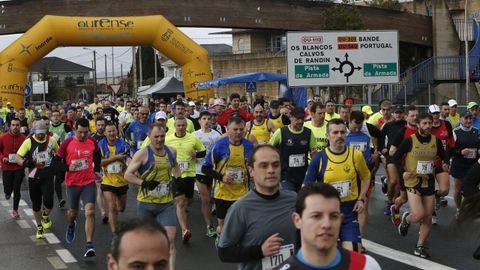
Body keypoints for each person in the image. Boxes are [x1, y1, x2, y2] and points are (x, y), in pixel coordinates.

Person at [218, 145, 297, 270]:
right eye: (264, 166)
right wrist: (259, 251)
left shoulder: (294, 199)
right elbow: (224, 253)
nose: (271, 170)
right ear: (251, 171)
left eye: (275, 165)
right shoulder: (240, 208)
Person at [273, 183, 381, 270]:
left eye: (333, 216)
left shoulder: (366, 266)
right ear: (297, 220)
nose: (326, 224)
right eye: (316, 216)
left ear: (341, 220)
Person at [304, 118, 371, 252]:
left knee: (353, 253)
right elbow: (306, 189)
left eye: (342, 132)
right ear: (327, 136)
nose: (339, 136)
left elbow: (366, 176)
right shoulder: (319, 159)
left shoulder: (355, 155)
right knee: (327, 256)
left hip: (349, 212)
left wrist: (361, 198)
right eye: (335, 133)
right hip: (326, 214)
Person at [124, 123, 180, 270]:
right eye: (156, 137)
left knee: (170, 242)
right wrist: (144, 183)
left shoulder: (171, 151)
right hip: (146, 204)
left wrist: (177, 181)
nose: (159, 140)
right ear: (149, 137)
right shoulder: (142, 153)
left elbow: (175, 166)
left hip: (166, 204)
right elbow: (127, 175)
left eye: (162, 136)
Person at [394, 112, 449, 258]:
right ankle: (406, 218)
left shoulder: (435, 140)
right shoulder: (409, 140)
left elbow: (444, 156)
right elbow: (396, 157)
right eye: (424, 123)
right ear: (418, 125)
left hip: (428, 181)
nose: (428, 126)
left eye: (430, 123)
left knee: (428, 217)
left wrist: (445, 164)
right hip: (412, 181)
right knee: (418, 214)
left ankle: (419, 246)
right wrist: (403, 172)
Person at [55, 118, 101, 258]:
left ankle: (89, 245)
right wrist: (67, 167)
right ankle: (71, 225)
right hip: (73, 183)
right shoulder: (67, 143)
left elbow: (97, 154)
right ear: (75, 128)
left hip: (88, 182)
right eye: (80, 132)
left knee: (90, 212)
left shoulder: (92, 141)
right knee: (72, 213)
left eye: (85, 133)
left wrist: (97, 169)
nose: (82, 135)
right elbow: (56, 162)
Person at [202, 116, 254, 237]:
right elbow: (206, 168)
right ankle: (222, 242)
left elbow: (252, 165)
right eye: (235, 129)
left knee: (241, 226)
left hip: (242, 192)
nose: (238, 132)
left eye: (241, 129)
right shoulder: (219, 145)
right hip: (222, 193)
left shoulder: (249, 146)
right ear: (227, 129)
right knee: (224, 228)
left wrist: (253, 174)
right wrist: (222, 177)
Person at [165, 116, 206, 243]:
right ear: (175, 126)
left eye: (183, 125)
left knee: (188, 201)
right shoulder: (168, 139)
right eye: (179, 125)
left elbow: (203, 152)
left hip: (189, 174)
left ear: (186, 126)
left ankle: (179, 209)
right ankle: (184, 230)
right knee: (180, 202)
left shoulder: (193, 138)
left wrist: (196, 154)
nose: (181, 127)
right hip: (175, 175)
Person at [16, 120, 59, 239]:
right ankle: (39, 226)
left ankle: (45, 215)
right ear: (34, 131)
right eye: (38, 133)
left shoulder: (52, 140)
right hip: (33, 177)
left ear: (46, 131)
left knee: (49, 201)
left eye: (43, 133)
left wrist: (58, 163)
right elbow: (18, 156)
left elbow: (60, 153)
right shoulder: (28, 142)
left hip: (48, 176)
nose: (41, 135)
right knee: (36, 203)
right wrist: (25, 162)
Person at [270, 107, 317, 192]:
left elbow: (315, 153)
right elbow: (268, 149)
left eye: (302, 118)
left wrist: (315, 157)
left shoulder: (308, 133)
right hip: (286, 176)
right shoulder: (281, 132)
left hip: (303, 175)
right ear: (290, 117)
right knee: (291, 199)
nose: (300, 121)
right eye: (297, 118)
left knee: (302, 201)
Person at [192, 111, 221, 238]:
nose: (207, 121)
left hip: (213, 170)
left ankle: (219, 223)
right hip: (199, 170)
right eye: (204, 118)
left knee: (213, 198)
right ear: (199, 121)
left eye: (209, 118)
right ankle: (209, 226)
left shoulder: (216, 135)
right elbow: (190, 151)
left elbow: (219, 152)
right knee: (206, 199)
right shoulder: (194, 135)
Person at [98, 122, 130, 233]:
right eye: (109, 131)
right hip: (107, 180)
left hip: (122, 181)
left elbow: (128, 160)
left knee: (121, 208)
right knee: (112, 207)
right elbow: (99, 162)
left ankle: (116, 206)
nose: (111, 133)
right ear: (105, 133)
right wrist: (116, 158)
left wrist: (130, 165)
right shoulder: (100, 145)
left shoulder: (124, 145)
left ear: (117, 131)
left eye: (113, 131)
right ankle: (115, 232)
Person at [389, 105, 418, 224]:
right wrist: (404, 152)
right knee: (404, 198)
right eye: (412, 116)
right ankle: (395, 208)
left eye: (416, 115)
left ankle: (421, 215)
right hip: (405, 170)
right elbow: (392, 151)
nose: (415, 118)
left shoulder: (421, 130)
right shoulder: (403, 131)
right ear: (406, 117)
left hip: (419, 170)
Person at [450, 110, 480, 213]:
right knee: (458, 189)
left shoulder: (476, 131)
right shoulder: (455, 132)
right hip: (459, 165)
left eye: (470, 118)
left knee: (471, 188)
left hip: (473, 165)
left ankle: (470, 207)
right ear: (460, 119)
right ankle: (458, 208)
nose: (468, 120)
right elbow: (450, 151)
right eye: (466, 118)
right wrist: (460, 152)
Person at [429, 104, 455, 223]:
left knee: (445, 190)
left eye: (437, 113)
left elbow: (451, 142)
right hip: (428, 162)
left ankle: (437, 195)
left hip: (442, 162)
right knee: (427, 190)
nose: (435, 115)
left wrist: (447, 159)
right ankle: (432, 213)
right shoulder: (426, 127)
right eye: (433, 113)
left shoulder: (446, 124)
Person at [0, 118, 26, 218]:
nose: (15, 127)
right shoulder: (3, 137)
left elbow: (28, 151)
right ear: (10, 126)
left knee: (17, 189)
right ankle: (7, 192)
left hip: (19, 167)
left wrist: (24, 160)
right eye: (13, 125)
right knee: (8, 189)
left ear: (20, 126)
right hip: (7, 168)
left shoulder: (24, 138)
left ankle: (15, 210)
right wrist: (3, 158)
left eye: (17, 125)